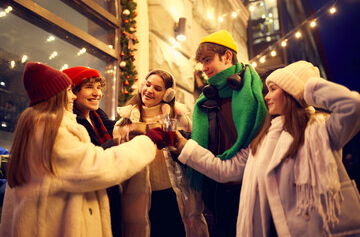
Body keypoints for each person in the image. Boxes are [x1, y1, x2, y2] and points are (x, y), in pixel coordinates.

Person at [175, 60, 360, 236]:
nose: (266, 96)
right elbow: (225, 170)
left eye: (273, 89)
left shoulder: (323, 130)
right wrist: (185, 148)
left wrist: (308, 87)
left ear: (291, 92)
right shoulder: (263, 139)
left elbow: (353, 106)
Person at [0, 62, 164, 237]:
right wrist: (147, 142)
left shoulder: (37, 125)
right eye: (70, 91)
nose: (73, 97)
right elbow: (98, 167)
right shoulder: (51, 130)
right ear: (57, 96)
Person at [189, 30, 267, 236]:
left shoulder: (261, 91)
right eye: (201, 62)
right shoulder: (207, 99)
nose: (204, 68)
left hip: (254, 188)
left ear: (227, 56)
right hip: (216, 192)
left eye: (207, 60)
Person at [114, 69, 209, 237]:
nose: (149, 90)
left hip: (175, 194)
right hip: (139, 197)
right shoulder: (124, 121)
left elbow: (194, 153)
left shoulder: (180, 118)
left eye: (157, 88)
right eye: (148, 85)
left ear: (167, 94)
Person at [62, 66, 122, 237]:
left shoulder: (97, 116)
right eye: (89, 87)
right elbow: (88, 160)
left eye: (99, 87)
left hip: (108, 196)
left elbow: (117, 128)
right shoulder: (71, 122)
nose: (97, 93)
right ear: (73, 92)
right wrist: (118, 141)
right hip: (84, 203)